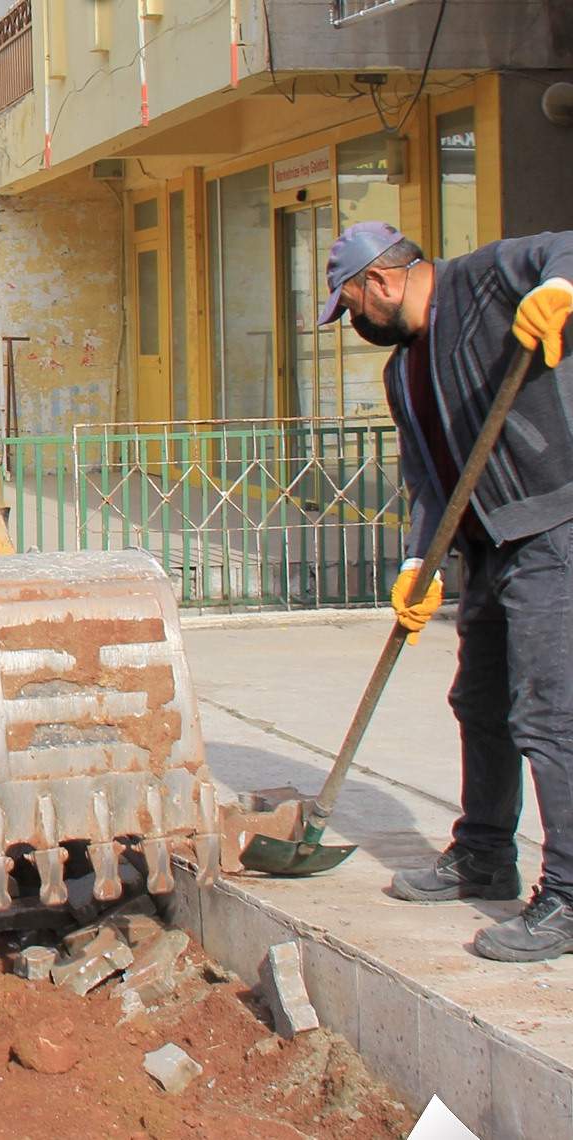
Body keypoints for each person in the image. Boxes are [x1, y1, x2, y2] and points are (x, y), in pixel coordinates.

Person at [319, 221, 573, 962]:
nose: (356, 322)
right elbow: (429, 479)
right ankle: (484, 854)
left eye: (352, 306)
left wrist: (560, 288)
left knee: (550, 714)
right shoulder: (403, 372)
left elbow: (562, 248)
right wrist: (416, 563)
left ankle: (567, 897)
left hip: (551, 526)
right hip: (486, 548)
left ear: (379, 282)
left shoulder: (487, 279)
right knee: (479, 703)